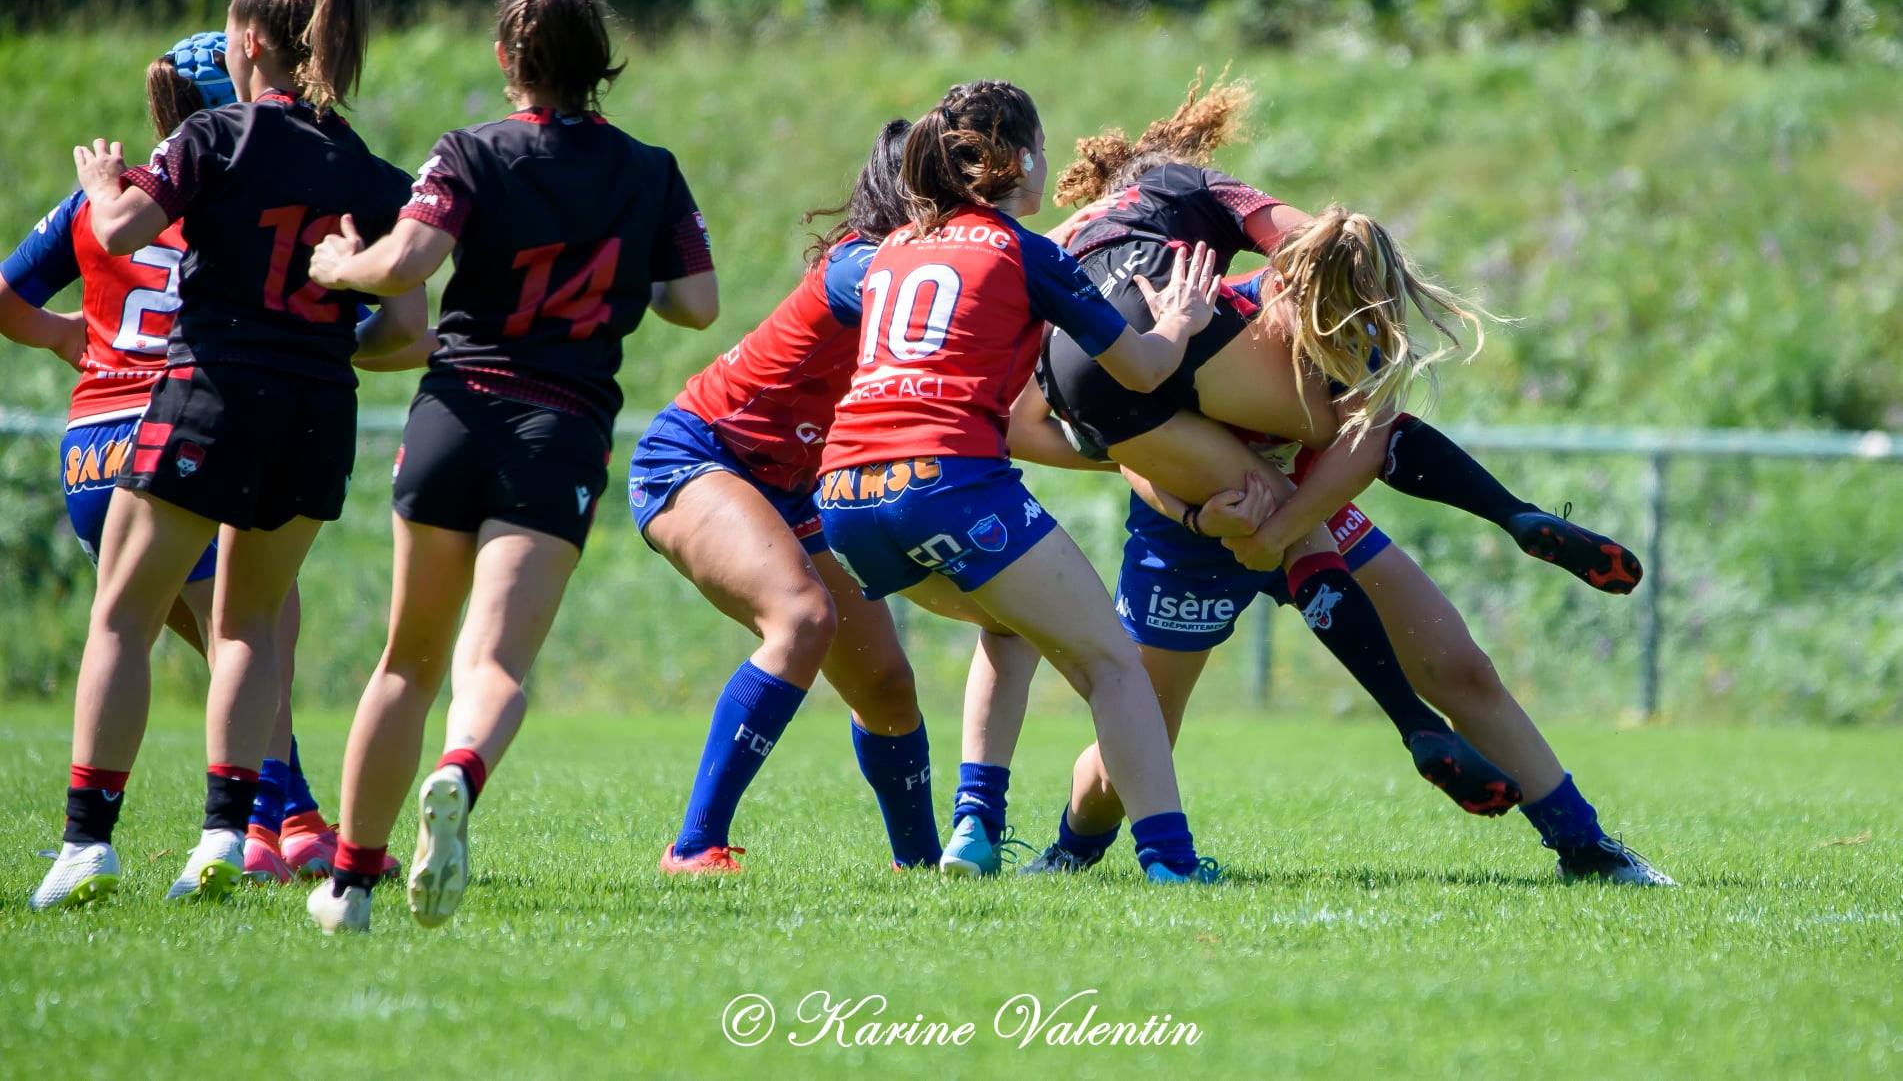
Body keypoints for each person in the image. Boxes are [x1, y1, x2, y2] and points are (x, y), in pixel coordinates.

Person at [304, 0, 718, 934]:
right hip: (558, 426)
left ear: (507, 58)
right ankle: (460, 769)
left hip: (455, 412)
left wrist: (339, 265)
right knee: (492, 663)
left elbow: (406, 262)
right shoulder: (648, 170)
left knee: (407, 661)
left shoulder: (470, 151)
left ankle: (352, 885)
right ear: (601, 64)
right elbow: (696, 303)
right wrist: (620, 282)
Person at [1013, 276, 1673, 884]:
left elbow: (1374, 441)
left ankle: (1584, 848)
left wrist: (1283, 522)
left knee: (1461, 670)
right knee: (1139, 731)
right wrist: (1195, 511)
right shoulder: (1183, 313)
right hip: (1188, 540)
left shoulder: (1358, 334)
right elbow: (1122, 447)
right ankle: (1074, 848)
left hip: (1312, 510)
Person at [29, 0, 425, 912]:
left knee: (123, 613)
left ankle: (88, 844)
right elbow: (406, 329)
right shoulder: (366, 168)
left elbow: (121, 232)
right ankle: (222, 831)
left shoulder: (212, 138)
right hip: (318, 410)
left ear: (248, 41)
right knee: (251, 625)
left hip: (211, 391)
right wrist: (324, 343)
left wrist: (99, 182)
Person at [815, 78, 1226, 884]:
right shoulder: (1019, 249)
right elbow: (1141, 371)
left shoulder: (885, 252)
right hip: (946, 485)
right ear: (1021, 159)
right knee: (1112, 664)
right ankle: (1171, 863)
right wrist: (1179, 320)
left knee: (1007, 622)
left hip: (844, 498)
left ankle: (973, 829)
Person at [1038, 74, 1643, 591]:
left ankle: (1411, 719)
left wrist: (1182, 504)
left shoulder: (1070, 238)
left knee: (1146, 705)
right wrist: (1356, 338)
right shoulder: (1186, 183)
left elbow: (1022, 427)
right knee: (1362, 428)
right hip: (1176, 329)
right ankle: (1511, 515)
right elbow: (1322, 243)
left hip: (1077, 380)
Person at [632, 120, 947, 873]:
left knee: (885, 685)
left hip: (792, 487)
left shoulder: (940, 267)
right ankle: (693, 848)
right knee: (801, 618)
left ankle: (926, 870)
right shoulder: (860, 267)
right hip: (697, 455)